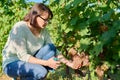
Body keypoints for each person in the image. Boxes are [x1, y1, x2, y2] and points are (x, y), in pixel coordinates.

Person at [2, 3, 81, 80]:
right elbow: (23, 56)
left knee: (51, 48)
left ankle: (30, 76)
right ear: (35, 16)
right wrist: (47, 63)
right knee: (41, 71)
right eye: (45, 20)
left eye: (48, 20)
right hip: (13, 63)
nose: (46, 23)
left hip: (29, 60)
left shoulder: (43, 31)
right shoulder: (20, 27)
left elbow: (55, 51)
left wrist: (69, 63)